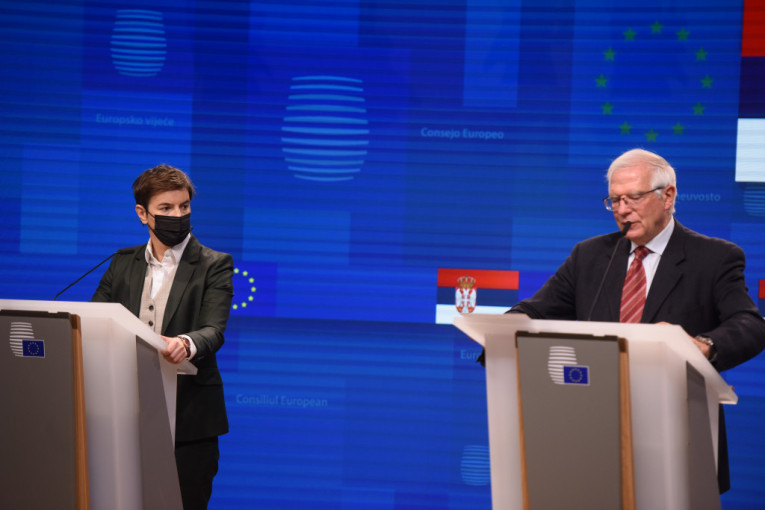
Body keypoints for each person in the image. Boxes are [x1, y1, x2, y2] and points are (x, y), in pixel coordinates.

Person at [485, 148, 765, 492]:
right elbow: (536, 310)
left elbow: (750, 324)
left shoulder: (714, 257)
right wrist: (499, 335)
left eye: (633, 197)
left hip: (678, 434)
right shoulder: (590, 256)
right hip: (594, 432)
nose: (621, 209)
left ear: (668, 196)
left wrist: (702, 346)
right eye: (614, 200)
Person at [92, 164, 234, 509]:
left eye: (184, 206)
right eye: (166, 208)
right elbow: (95, 321)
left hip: (189, 419)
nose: (178, 216)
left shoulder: (214, 264)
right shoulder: (121, 263)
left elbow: (213, 330)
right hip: (123, 416)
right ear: (142, 214)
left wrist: (185, 343)